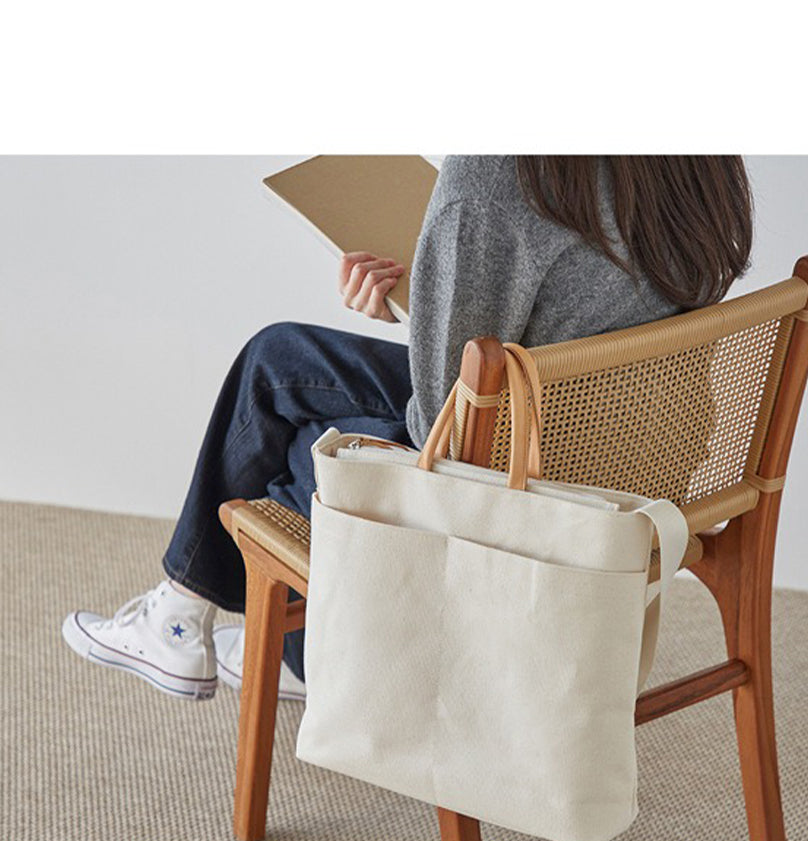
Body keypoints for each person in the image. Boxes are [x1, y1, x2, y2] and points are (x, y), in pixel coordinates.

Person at [61, 155, 753, 701]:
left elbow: (439, 431)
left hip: (516, 494)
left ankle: (217, 629)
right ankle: (211, 623)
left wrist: (434, 297)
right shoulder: (691, 162)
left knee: (297, 451)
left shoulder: (499, 170)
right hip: (630, 465)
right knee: (278, 362)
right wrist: (423, 296)